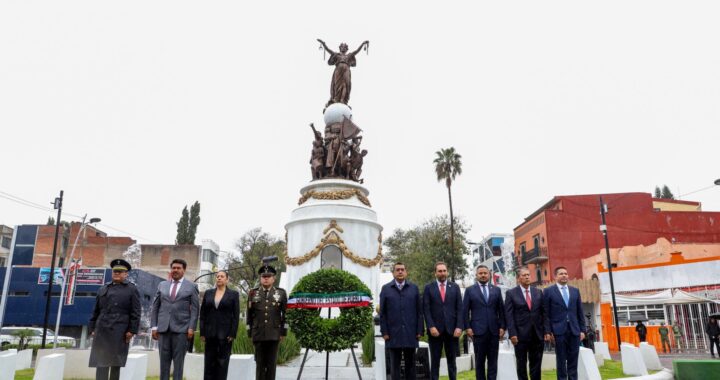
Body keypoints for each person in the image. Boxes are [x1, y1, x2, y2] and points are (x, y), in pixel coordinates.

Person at [88, 259, 141, 380]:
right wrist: (92, 328)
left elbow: (136, 312)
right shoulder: (103, 289)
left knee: (115, 363)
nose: (117, 273)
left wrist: (131, 331)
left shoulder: (132, 289)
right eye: (115, 271)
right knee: (100, 363)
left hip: (120, 331)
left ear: (126, 274)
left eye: (120, 271)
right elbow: (96, 311)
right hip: (102, 330)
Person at [151, 259, 200, 380]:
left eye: (178, 268)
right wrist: (154, 326)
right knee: (164, 363)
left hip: (182, 330)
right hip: (163, 329)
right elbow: (155, 307)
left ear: (184, 270)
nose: (175, 270)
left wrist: (191, 328)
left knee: (178, 364)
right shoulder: (162, 285)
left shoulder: (192, 286)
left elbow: (195, 309)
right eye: (173, 268)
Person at [380, 262, 423, 380]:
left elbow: (419, 312)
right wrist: (384, 332)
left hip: (411, 333)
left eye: (402, 269)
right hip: (393, 334)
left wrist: (419, 330)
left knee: (411, 366)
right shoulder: (386, 289)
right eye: (397, 270)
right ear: (393, 272)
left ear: (406, 272)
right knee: (395, 367)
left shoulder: (414, 288)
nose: (400, 272)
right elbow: (382, 313)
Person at [462, 265, 505, 380]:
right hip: (477, 332)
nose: (483, 275)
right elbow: (465, 311)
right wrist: (468, 328)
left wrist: (502, 327)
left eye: (485, 273)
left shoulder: (496, 290)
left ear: (489, 274)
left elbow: (501, 310)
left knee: (493, 362)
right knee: (479, 363)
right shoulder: (470, 290)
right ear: (476, 275)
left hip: (494, 331)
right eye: (480, 273)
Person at [543, 266, 585, 380]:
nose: (564, 275)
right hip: (558, 331)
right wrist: (548, 331)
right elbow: (546, 314)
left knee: (573, 359)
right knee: (561, 360)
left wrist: (582, 330)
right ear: (555, 276)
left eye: (566, 273)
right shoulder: (548, 291)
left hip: (574, 330)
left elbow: (579, 311)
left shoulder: (575, 291)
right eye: (561, 274)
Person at [422, 262, 463, 380]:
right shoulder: (428, 288)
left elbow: (459, 308)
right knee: (435, 362)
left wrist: (459, 326)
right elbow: (426, 309)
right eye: (439, 271)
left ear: (447, 272)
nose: (442, 273)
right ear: (435, 273)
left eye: (444, 270)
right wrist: (431, 326)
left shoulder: (454, 287)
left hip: (452, 331)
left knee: (452, 362)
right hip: (435, 331)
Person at [247, 265, 287, 380]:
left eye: (268, 276)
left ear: (273, 279)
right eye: (263, 276)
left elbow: (285, 315)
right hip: (258, 334)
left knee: (271, 365)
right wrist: (250, 332)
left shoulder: (281, 293)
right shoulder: (253, 293)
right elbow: (249, 315)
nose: (266, 278)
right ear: (260, 278)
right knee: (259, 365)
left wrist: (283, 332)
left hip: (274, 334)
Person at [504, 267, 544, 380]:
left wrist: (546, 331)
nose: (527, 277)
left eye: (528, 275)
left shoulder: (538, 292)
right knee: (521, 365)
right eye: (524, 275)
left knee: (536, 365)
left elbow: (543, 313)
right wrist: (512, 333)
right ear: (518, 279)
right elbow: (509, 315)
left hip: (537, 334)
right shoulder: (511, 293)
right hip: (520, 336)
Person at [199, 270, 239, 380]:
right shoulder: (208, 293)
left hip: (225, 335)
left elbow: (235, 316)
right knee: (209, 362)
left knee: (222, 363)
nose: (219, 278)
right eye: (217, 276)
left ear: (227, 280)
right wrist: (202, 332)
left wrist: (232, 333)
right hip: (209, 333)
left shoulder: (233, 294)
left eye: (222, 276)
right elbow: (203, 314)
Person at [317, 39, 370, 107]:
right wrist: (324, 44)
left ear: (346, 49)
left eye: (345, 47)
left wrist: (362, 44)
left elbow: (357, 51)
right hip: (338, 69)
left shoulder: (349, 55)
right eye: (342, 47)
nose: (343, 48)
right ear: (340, 48)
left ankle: (343, 100)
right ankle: (336, 99)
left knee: (346, 84)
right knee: (337, 84)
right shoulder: (336, 55)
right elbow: (328, 50)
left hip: (346, 69)